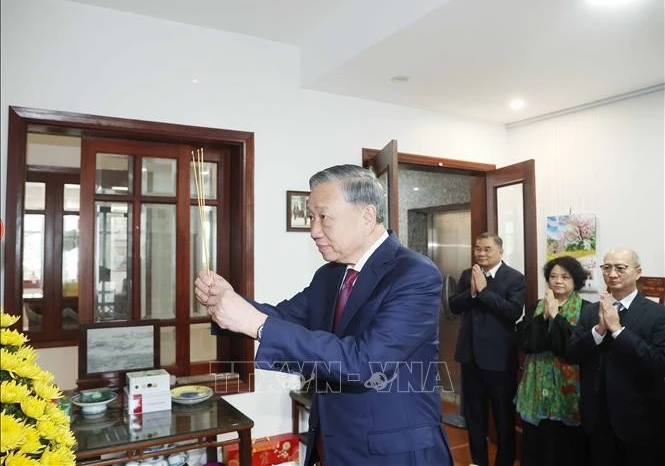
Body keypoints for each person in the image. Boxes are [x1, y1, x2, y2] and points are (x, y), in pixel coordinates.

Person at [194, 164, 453, 466]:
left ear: (367, 216)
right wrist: (229, 301)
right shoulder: (330, 276)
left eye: (324, 217)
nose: (313, 231)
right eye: (311, 217)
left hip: (391, 451)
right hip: (333, 442)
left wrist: (255, 323)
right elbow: (282, 318)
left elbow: (366, 363)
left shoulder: (414, 274)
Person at [567, 248, 665, 466]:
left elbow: (658, 364)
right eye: (607, 267)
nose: (612, 274)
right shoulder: (590, 311)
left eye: (620, 268)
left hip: (640, 420)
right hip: (597, 417)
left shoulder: (658, 314)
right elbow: (571, 353)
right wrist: (598, 331)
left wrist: (619, 331)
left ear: (637, 273)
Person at [448, 232, 526, 466]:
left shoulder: (514, 278)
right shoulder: (467, 275)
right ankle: (478, 460)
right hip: (470, 356)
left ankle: (504, 461)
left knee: (503, 417)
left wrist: (484, 292)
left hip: (499, 359)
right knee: (474, 416)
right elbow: (453, 305)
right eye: (478, 249)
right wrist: (472, 292)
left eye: (487, 249)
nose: (481, 253)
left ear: (500, 251)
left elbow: (513, 312)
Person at [515, 256, 590, 466]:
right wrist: (544, 318)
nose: (558, 281)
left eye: (565, 276)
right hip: (536, 389)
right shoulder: (537, 306)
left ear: (576, 281)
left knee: (566, 449)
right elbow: (527, 343)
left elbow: (572, 350)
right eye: (553, 276)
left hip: (569, 392)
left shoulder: (587, 309)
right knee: (535, 446)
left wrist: (557, 318)